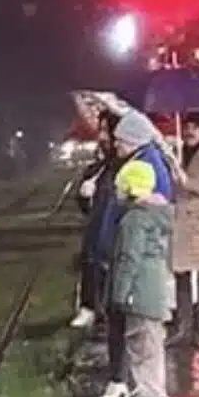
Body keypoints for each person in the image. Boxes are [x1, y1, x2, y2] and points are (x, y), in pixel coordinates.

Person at [109, 159, 175, 397]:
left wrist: (119, 294)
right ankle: (151, 391)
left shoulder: (134, 219)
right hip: (155, 287)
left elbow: (129, 259)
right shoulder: (159, 215)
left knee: (141, 342)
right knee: (152, 341)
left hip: (140, 290)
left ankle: (151, 396)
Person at [73, 115, 120, 332]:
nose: (101, 136)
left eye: (105, 130)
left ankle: (104, 311)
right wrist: (84, 196)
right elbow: (86, 208)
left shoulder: (125, 165)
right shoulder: (98, 168)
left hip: (116, 234)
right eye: (100, 131)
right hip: (97, 233)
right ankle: (91, 307)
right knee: (93, 265)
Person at [171, 114, 199, 346]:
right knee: (181, 277)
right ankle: (182, 327)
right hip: (180, 225)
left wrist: (188, 183)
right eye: (186, 126)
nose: (189, 131)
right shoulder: (176, 154)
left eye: (195, 127)